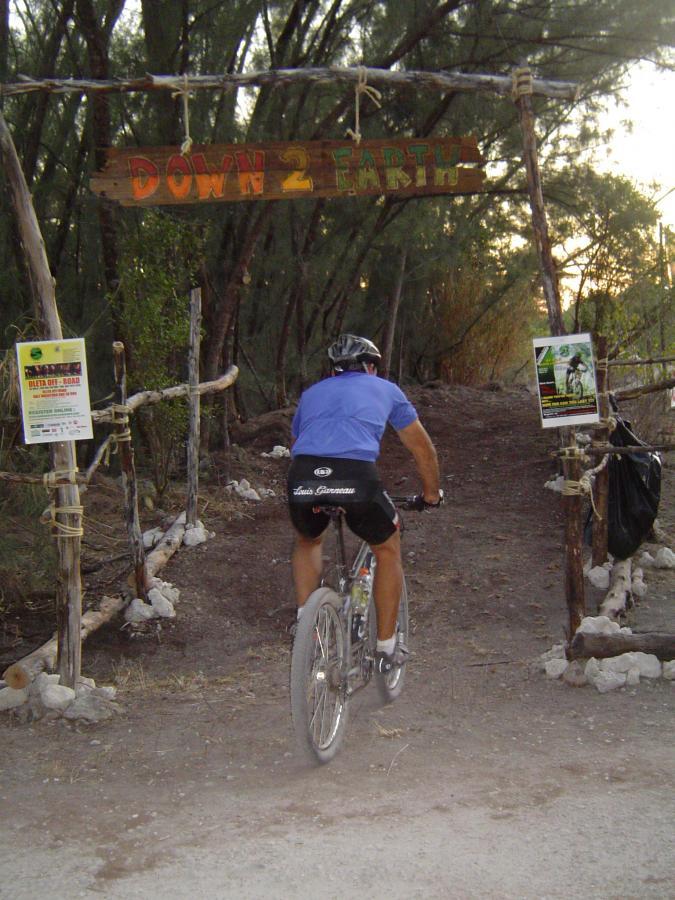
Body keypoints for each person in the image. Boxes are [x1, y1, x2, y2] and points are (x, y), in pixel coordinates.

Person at [287, 333, 442, 673]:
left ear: (334, 370)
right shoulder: (386, 389)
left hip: (303, 476)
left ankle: (305, 626)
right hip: (355, 477)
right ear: (371, 367)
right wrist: (431, 494)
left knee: (309, 539)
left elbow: (299, 442)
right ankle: (386, 650)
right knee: (387, 548)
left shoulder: (311, 394)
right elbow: (422, 448)